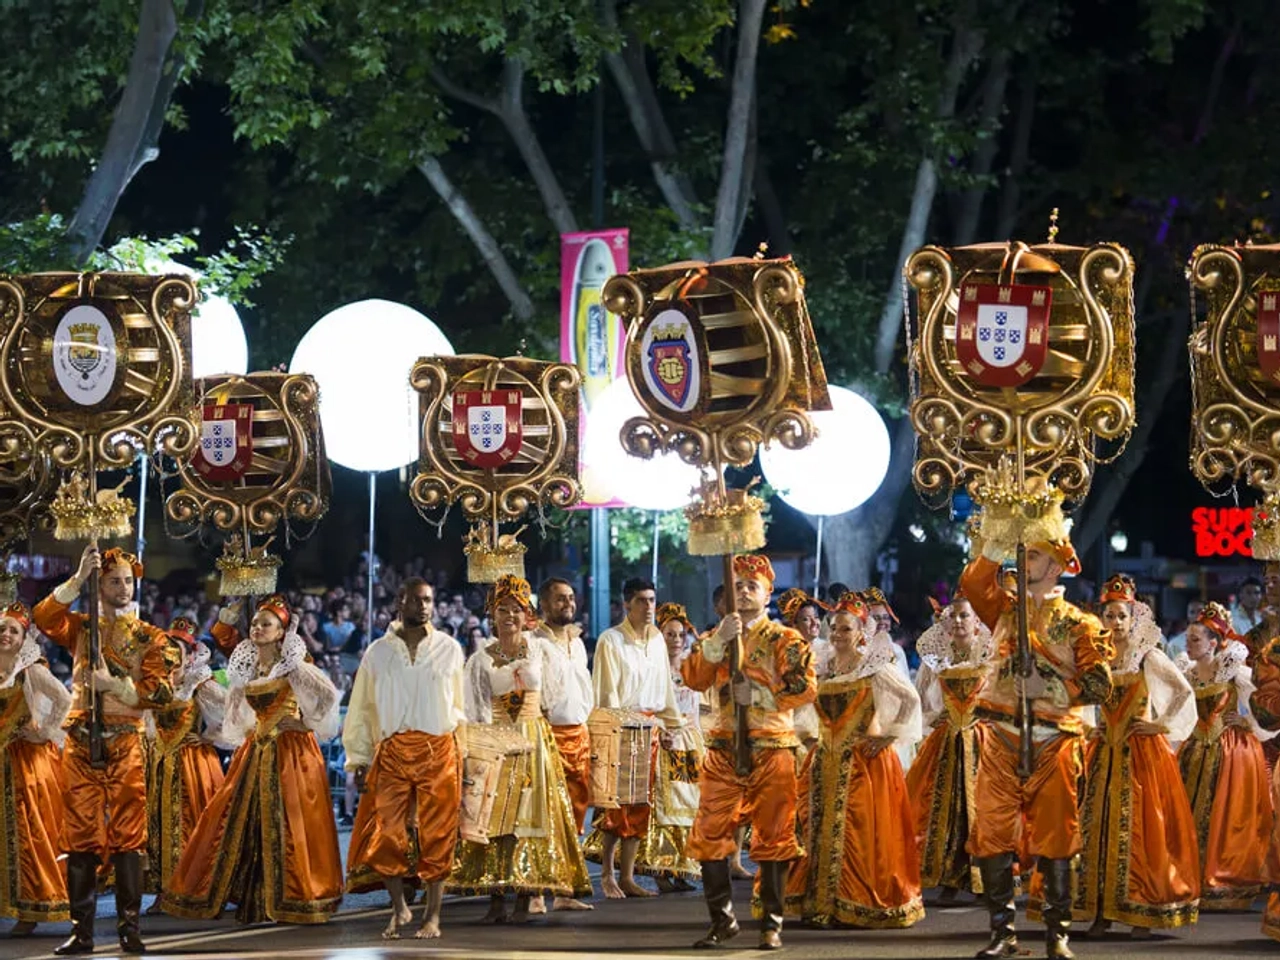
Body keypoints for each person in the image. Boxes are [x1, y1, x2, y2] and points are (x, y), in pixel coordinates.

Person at [958, 533, 1114, 960]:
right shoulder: (1005, 609)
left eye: (1036, 556)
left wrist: (1047, 688)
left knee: (1057, 837)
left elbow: (1100, 684)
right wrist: (996, 541)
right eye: (1023, 554)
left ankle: (1057, 934)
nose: (1025, 562)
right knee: (991, 835)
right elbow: (973, 584)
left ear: (1057, 566)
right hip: (1001, 735)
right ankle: (1001, 933)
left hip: (1053, 740)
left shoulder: (1081, 624)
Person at [163, 595, 344, 924]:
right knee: (246, 820)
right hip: (257, 747)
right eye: (256, 623)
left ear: (281, 632)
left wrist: (304, 723)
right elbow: (236, 705)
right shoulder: (247, 665)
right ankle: (256, 894)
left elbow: (329, 695)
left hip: (291, 752)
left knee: (289, 822)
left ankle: (294, 894)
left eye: (266, 624)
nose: (258, 628)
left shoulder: (294, 666)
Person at [34, 545, 177, 955]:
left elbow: (161, 692)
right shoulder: (81, 627)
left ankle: (130, 929)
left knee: (129, 835)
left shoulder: (151, 637)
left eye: (128, 581)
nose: (123, 587)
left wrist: (115, 686)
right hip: (81, 739)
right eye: (114, 581)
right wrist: (78, 578)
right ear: (100, 586)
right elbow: (44, 617)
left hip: (125, 739)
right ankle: (82, 932)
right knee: (80, 835)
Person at [680, 554, 817, 950]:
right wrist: (718, 641)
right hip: (724, 748)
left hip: (772, 747)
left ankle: (771, 922)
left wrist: (760, 695)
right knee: (709, 833)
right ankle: (722, 920)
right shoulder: (718, 635)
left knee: (775, 834)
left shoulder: (785, 639)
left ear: (767, 594)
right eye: (737, 585)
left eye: (751, 586)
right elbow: (693, 677)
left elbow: (805, 686)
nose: (743, 591)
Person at [449, 574, 591, 922]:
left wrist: (537, 719)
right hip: (498, 741)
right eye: (503, 610)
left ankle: (526, 898)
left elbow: (554, 696)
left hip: (533, 740)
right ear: (492, 615)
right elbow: (474, 708)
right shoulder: (480, 659)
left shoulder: (541, 651)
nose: (510, 616)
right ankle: (496, 899)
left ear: (526, 613)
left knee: (530, 815)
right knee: (496, 817)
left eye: (516, 609)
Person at [785, 592, 924, 928]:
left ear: (862, 632)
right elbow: (802, 707)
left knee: (858, 833)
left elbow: (909, 699)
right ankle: (822, 903)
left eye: (846, 629)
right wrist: (809, 738)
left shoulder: (873, 666)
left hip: (864, 764)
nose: (837, 634)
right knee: (818, 830)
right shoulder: (823, 667)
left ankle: (854, 902)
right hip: (825, 762)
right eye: (834, 628)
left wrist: (887, 736)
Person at [1073, 575, 1199, 937]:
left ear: (1133, 619)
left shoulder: (1148, 656)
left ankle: (1141, 909)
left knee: (1143, 830)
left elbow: (1182, 691)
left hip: (1140, 753)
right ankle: (1101, 910)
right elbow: (1078, 698)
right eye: (1109, 616)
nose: (1115, 623)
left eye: (1121, 616)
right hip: (1104, 752)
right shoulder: (1097, 657)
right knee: (1096, 828)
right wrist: (1088, 728)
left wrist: (1160, 725)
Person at [343, 578, 465, 939]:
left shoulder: (449, 648)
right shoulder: (377, 652)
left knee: (438, 835)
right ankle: (399, 907)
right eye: (416, 600)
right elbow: (361, 708)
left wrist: (467, 755)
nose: (423, 606)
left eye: (428, 600)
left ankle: (433, 917)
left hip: (438, 750)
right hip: (392, 750)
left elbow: (462, 708)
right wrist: (358, 758)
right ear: (400, 601)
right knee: (387, 834)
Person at [589, 577, 685, 899]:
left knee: (641, 805)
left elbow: (664, 688)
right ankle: (607, 874)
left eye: (652, 600)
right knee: (616, 806)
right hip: (621, 729)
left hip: (650, 728)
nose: (648, 607)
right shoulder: (611, 640)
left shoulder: (656, 639)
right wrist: (614, 732)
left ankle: (628, 876)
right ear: (627, 604)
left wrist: (670, 726)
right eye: (641, 600)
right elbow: (607, 693)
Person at [1175, 601, 1274, 911]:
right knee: (1188, 813)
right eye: (1188, 638)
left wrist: (1250, 723)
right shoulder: (1186, 672)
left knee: (1225, 817)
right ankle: (1189, 880)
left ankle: (1222, 883)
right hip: (1195, 748)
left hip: (1230, 751)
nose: (1188, 644)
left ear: (1213, 643)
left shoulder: (1233, 670)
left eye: (1195, 639)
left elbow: (1262, 700)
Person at [905, 595, 995, 902]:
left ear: (976, 620)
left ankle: (986, 876)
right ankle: (949, 876)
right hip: (947, 740)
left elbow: (1004, 696)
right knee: (946, 810)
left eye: (964, 616)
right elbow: (920, 698)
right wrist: (935, 718)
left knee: (983, 809)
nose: (958, 621)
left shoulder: (989, 654)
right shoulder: (937, 658)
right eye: (953, 616)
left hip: (981, 741)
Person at [144, 616, 230, 912]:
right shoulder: (157, 683)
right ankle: (164, 889)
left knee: (190, 826)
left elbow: (232, 710)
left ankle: (192, 887)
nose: (170, 655)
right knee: (159, 826)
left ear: (190, 655)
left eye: (177, 650)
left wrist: (209, 736)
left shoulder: (199, 683)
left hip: (193, 765)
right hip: (159, 762)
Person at [0, 601, 72, 937]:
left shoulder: (30, 670)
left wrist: (44, 731)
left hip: (25, 764)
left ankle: (30, 908)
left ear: (23, 638)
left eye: (13, 631)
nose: (5, 635)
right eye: (1, 629)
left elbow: (64, 699)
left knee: (27, 834)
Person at [530, 577, 594, 912]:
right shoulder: (533, 642)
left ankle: (564, 891)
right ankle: (536, 891)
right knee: (545, 814)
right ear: (543, 604)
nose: (567, 604)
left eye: (570, 598)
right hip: (548, 735)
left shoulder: (578, 642)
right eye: (559, 599)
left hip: (578, 734)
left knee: (574, 814)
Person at [633, 602, 704, 892]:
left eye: (680, 635)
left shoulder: (692, 668)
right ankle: (662, 866)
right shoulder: (651, 668)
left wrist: (700, 743)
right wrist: (660, 730)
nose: (676, 640)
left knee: (689, 806)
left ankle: (682, 865)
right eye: (670, 634)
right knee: (665, 807)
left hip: (689, 744)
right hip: (664, 741)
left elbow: (697, 710)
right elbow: (645, 706)